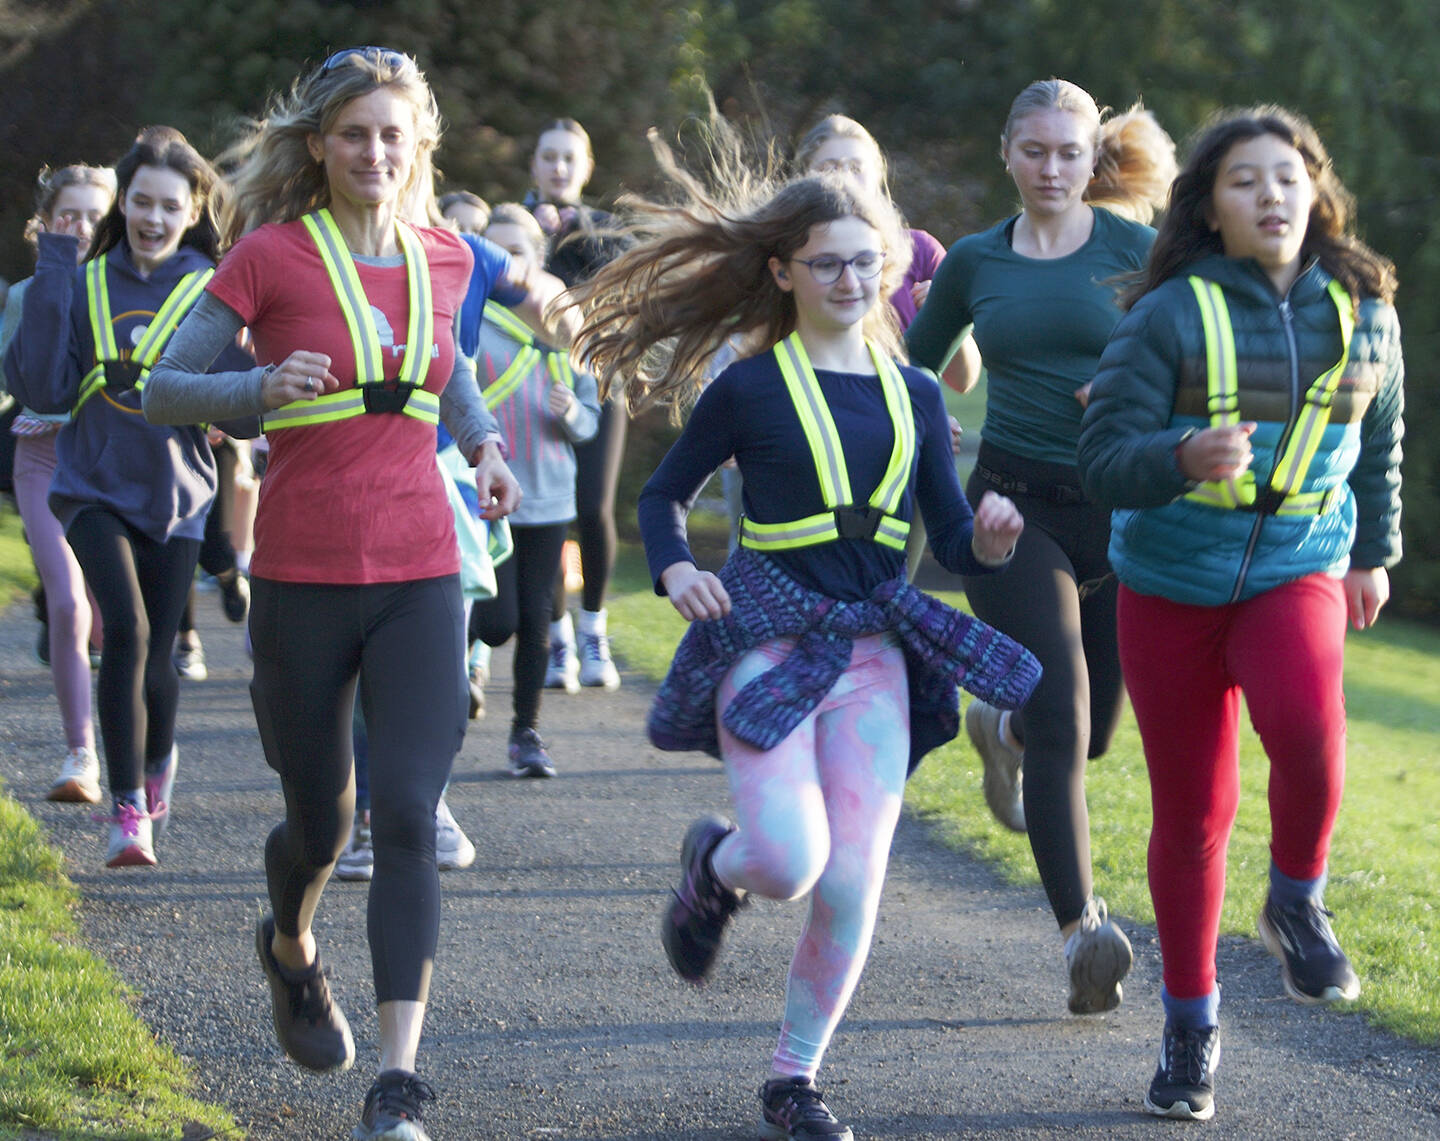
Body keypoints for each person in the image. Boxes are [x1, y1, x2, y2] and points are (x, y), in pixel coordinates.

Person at [575, 146, 1038, 1140]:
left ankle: (795, 1078)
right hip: (770, 641)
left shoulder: (917, 393)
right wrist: (676, 568)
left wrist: (989, 542)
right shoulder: (747, 387)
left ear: (890, 268)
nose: (850, 280)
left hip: (876, 655)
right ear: (782, 270)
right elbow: (661, 495)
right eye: (826, 262)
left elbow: (950, 536)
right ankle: (716, 864)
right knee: (787, 859)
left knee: (851, 879)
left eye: (866, 261)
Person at [144, 47, 521, 1141]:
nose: (374, 152)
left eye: (393, 135)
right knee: (322, 822)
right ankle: (290, 948)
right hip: (303, 576)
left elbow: (444, 368)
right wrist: (256, 388)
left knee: (405, 815)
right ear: (318, 145)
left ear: (419, 148)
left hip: (420, 572)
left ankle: (397, 1085)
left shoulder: (447, 255)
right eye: (354, 133)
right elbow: (165, 388)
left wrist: (487, 444)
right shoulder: (268, 257)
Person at [1077, 105, 1404, 1121]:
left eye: (1286, 177)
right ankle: (1190, 1024)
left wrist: (1374, 553)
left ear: (1317, 192)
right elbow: (1101, 463)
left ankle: (1296, 900)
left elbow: (1384, 432)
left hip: (1297, 565)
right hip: (1171, 580)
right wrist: (1179, 458)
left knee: (1308, 732)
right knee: (1193, 816)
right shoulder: (1169, 314)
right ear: (1210, 209)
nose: (1269, 195)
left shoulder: (1366, 308)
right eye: (1243, 181)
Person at [906, 78, 1177, 1015]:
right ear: (1008, 154)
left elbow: (1195, 355)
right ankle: (1081, 932)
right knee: (1063, 702)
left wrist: (1129, 392)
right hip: (1010, 514)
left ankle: (1001, 729)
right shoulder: (977, 261)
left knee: (1093, 732)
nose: (1052, 168)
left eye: (1070, 152)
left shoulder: (1140, 251)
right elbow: (910, 373)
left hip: (1122, 512)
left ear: (1092, 157)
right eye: (1035, 151)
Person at [5, 131, 251, 868]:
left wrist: (250, 385)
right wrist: (55, 262)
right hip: (88, 489)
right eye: (139, 201)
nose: (151, 216)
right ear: (123, 203)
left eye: (168, 205)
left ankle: (157, 760)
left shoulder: (210, 287)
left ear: (193, 210)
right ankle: (125, 808)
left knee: (162, 662)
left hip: (177, 497)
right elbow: (44, 389)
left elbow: (245, 408)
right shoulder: (81, 281)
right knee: (129, 632)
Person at [466, 204, 600, 777]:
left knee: (538, 617)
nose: (505, 265)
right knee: (497, 620)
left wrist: (571, 414)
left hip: (549, 497)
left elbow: (591, 421)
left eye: (516, 252)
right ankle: (460, 666)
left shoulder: (565, 328)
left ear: (538, 259)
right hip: (486, 498)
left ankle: (527, 732)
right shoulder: (470, 321)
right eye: (492, 253)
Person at [0, 163, 115, 804]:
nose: (79, 227)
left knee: (116, 623)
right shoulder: (23, 295)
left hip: (111, 466)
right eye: (67, 216)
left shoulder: (125, 289)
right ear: (44, 223)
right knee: (68, 606)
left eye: (94, 216)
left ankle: (141, 759)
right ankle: (80, 756)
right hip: (43, 460)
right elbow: (20, 379)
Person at [524, 117, 628, 692]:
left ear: (586, 168)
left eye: (570, 158)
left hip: (600, 379)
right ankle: (556, 638)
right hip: (531, 382)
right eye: (549, 157)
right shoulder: (512, 227)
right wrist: (534, 241)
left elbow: (624, 291)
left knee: (593, 507)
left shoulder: (606, 230)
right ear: (534, 165)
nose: (559, 168)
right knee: (548, 514)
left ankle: (594, 629)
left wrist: (570, 233)